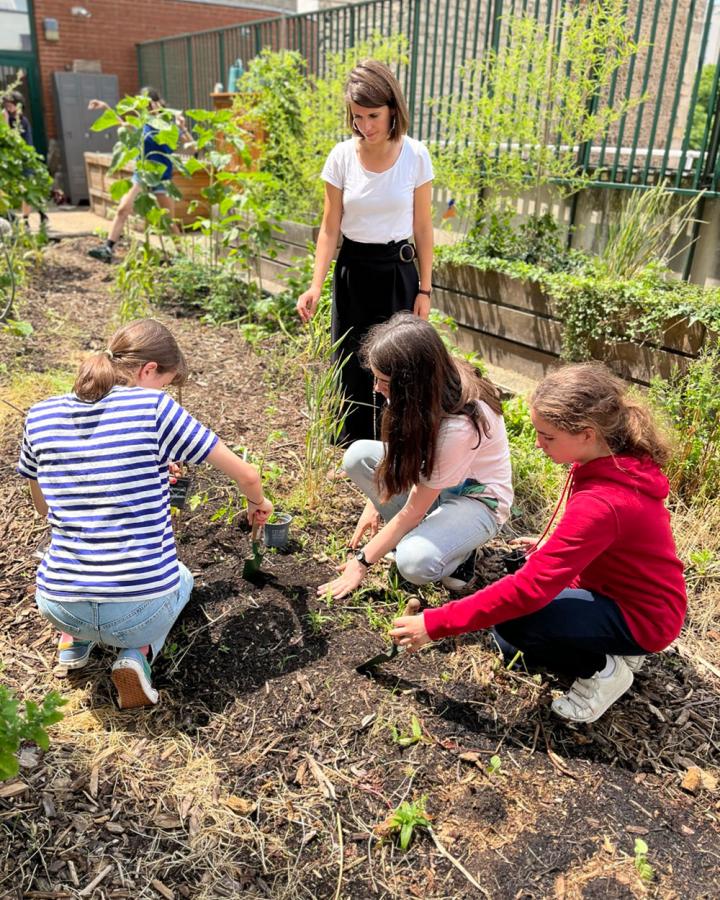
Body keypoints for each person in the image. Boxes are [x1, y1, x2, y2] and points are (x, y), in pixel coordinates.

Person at [391, 363, 687, 725]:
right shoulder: (613, 462)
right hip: (619, 593)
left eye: (547, 436)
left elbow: (530, 590)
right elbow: (610, 542)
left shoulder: (605, 501)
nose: (537, 443)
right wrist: (555, 542)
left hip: (643, 617)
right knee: (508, 643)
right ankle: (611, 643)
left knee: (517, 621)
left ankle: (605, 672)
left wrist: (435, 623)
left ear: (586, 433)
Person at [17, 319, 273, 709]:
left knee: (82, 594)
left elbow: (45, 508)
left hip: (58, 602)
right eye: (165, 382)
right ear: (148, 370)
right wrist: (258, 503)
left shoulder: (39, 415)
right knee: (181, 578)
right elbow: (247, 474)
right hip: (135, 608)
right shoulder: (152, 406)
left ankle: (74, 644)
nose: (163, 391)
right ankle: (137, 655)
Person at [318, 313, 513, 599]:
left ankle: (461, 553)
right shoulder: (430, 384)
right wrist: (373, 505)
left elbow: (412, 511)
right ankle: (439, 536)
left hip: (476, 500)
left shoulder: (459, 425)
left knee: (414, 562)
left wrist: (360, 563)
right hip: (437, 481)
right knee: (358, 456)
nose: (376, 388)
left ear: (411, 380)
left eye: (383, 381)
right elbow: (404, 452)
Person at [296, 60, 434, 443]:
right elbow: (330, 226)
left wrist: (425, 289)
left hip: (398, 271)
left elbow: (423, 227)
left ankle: (397, 443)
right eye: (357, 117)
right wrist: (315, 285)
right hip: (353, 269)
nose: (365, 125)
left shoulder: (415, 155)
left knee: (400, 360)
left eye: (373, 115)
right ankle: (354, 444)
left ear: (393, 108)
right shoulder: (341, 156)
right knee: (352, 361)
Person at [87, 87, 192, 262]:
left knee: (168, 220)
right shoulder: (142, 122)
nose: (146, 107)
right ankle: (108, 248)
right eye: (142, 104)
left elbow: (193, 147)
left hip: (162, 177)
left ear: (156, 102)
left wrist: (183, 127)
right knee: (123, 209)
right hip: (142, 174)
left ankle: (183, 257)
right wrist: (105, 106)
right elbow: (123, 125)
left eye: (148, 103)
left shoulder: (168, 122)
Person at [2, 91, 49, 230]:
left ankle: (28, 220)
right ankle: (39, 215)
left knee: (27, 189)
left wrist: (5, 121)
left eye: (10, 105)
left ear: (18, 105)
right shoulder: (7, 117)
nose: (8, 108)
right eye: (6, 105)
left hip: (24, 159)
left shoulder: (21, 121)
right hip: (12, 161)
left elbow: (14, 139)